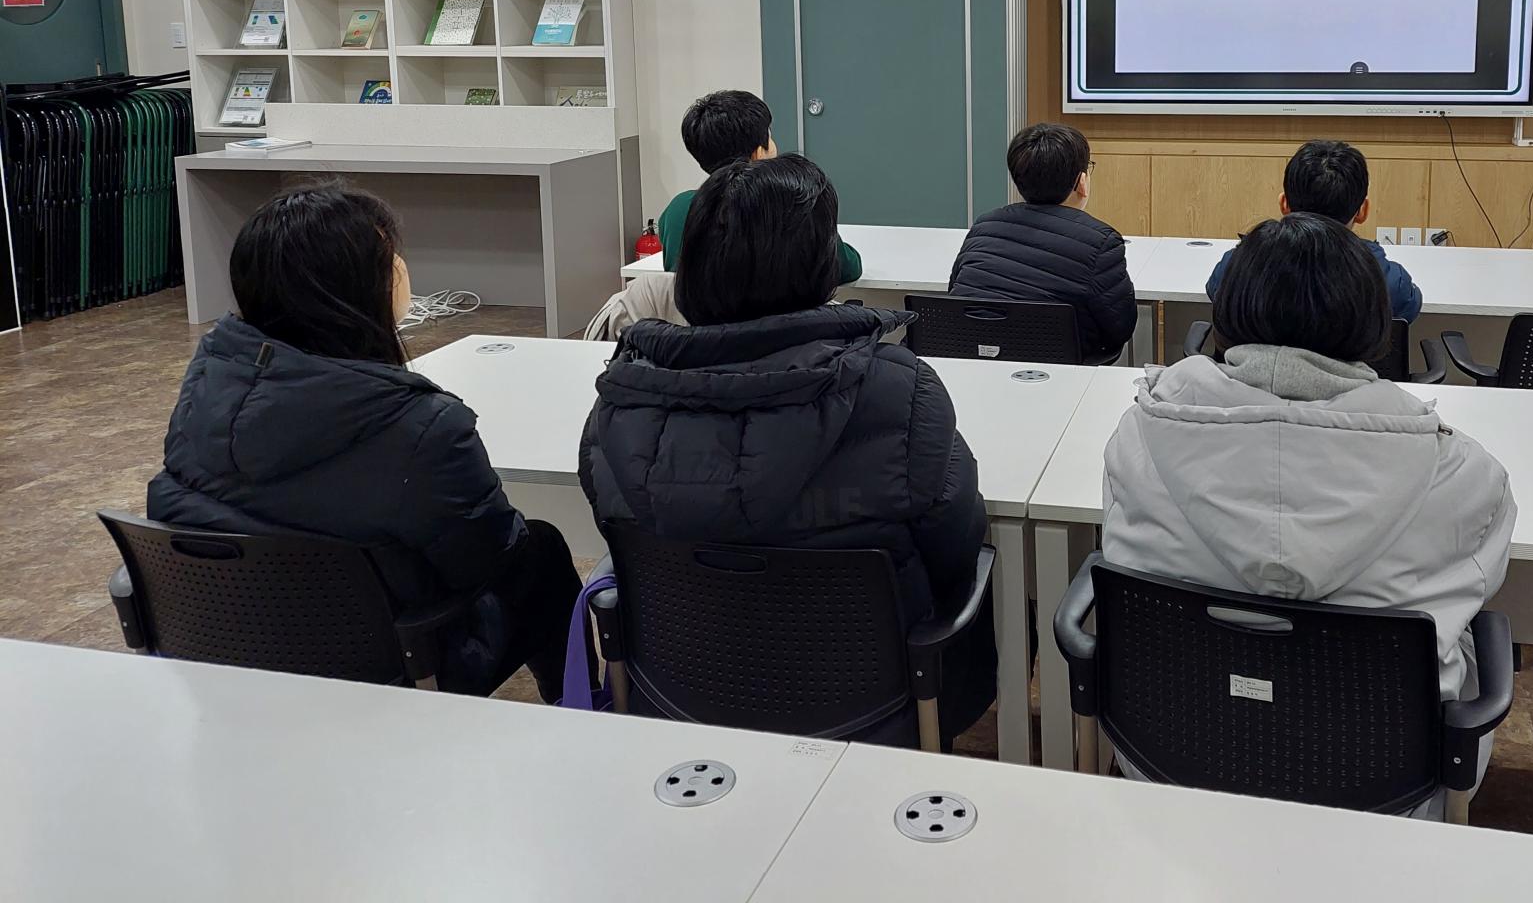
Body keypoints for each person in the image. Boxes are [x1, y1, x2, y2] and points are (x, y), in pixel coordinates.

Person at [580, 154, 995, 743]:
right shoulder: (898, 392)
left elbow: (616, 533)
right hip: (869, 706)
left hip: (679, 699)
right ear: (823, 265)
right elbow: (954, 541)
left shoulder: (621, 401)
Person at [148, 182, 584, 700]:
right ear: (355, 287)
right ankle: (575, 707)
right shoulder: (423, 428)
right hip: (391, 665)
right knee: (541, 552)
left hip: (230, 653)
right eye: (389, 256)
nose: (401, 267)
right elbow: (489, 556)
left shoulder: (206, 387)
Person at [1105, 212, 1515, 714]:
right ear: (1375, 327)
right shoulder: (1467, 476)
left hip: (1169, 735)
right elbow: (1478, 586)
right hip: (1376, 754)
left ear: (1224, 318)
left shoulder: (1139, 436)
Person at [947, 122, 1136, 363]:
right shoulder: (1100, 241)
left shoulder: (984, 226)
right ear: (1081, 182)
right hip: (1060, 372)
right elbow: (1120, 328)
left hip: (971, 361)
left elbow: (955, 294)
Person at [656, 89, 862, 285]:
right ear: (758, 153)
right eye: (769, 136)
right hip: (783, 312)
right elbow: (847, 268)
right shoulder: (792, 201)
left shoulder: (679, 209)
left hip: (700, 312)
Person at [1205, 138, 1423, 321]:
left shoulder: (1237, 267)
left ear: (1284, 204)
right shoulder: (1387, 281)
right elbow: (1407, 306)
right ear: (1362, 211)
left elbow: (1217, 291)